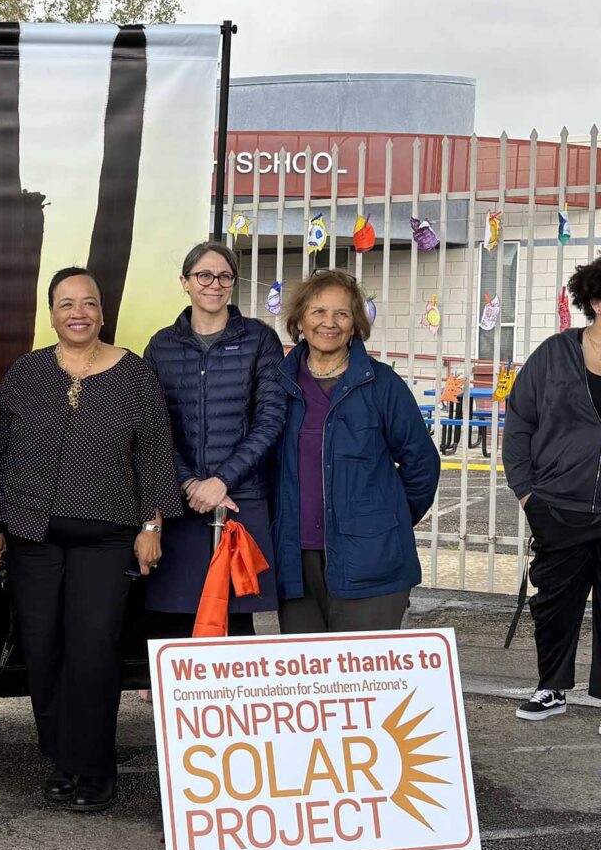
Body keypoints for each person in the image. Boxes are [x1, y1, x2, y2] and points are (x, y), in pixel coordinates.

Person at [0, 266, 181, 811]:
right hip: (32, 536)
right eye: (66, 303)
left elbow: (156, 458)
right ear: (52, 313)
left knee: (92, 648)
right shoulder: (25, 374)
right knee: (42, 648)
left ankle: (93, 768)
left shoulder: (135, 376)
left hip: (106, 539)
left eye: (88, 303)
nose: (78, 313)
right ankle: (62, 758)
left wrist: (152, 525)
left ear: (101, 310)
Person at [271, 269, 439, 632]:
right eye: (318, 312)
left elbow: (421, 463)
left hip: (371, 561)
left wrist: (385, 520)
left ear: (355, 324)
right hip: (296, 560)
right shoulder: (277, 383)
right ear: (300, 320)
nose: (328, 323)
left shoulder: (382, 384)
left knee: (366, 678)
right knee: (307, 677)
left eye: (341, 314)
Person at [143, 242, 285, 638]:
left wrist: (222, 481)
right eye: (203, 275)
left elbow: (271, 420)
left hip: (241, 499)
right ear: (185, 283)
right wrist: (190, 483)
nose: (214, 284)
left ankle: (231, 703)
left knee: (235, 623)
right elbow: (152, 427)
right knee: (175, 619)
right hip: (179, 503)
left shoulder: (260, 340)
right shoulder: (161, 345)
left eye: (224, 276)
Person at [504, 256, 601, 723]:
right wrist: (527, 493)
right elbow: (519, 420)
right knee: (555, 603)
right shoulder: (555, 353)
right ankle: (552, 687)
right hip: (560, 506)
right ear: (596, 302)